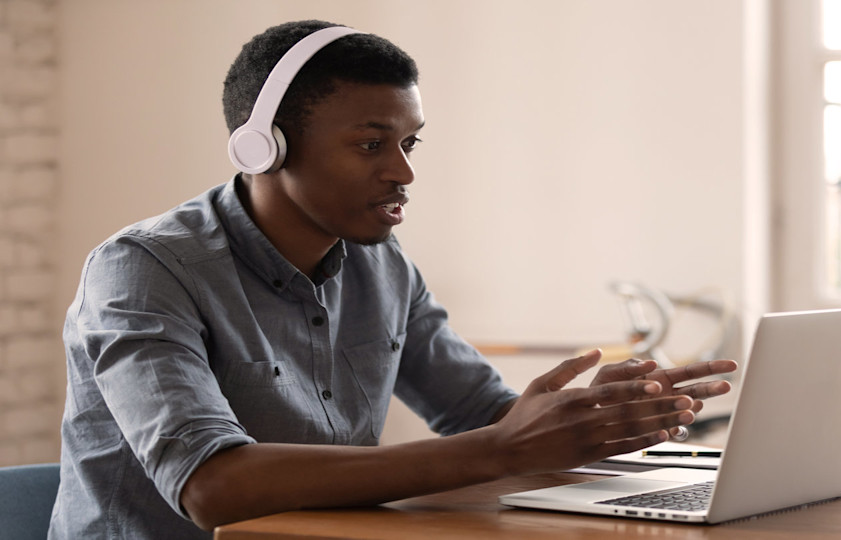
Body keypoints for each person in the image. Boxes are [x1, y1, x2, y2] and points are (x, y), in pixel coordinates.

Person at [49, 20, 737, 538]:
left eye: (410, 144)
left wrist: (593, 420)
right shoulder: (142, 270)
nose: (404, 172)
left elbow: (481, 415)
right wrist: (501, 447)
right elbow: (212, 486)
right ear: (265, 148)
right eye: (372, 144)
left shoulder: (382, 262)